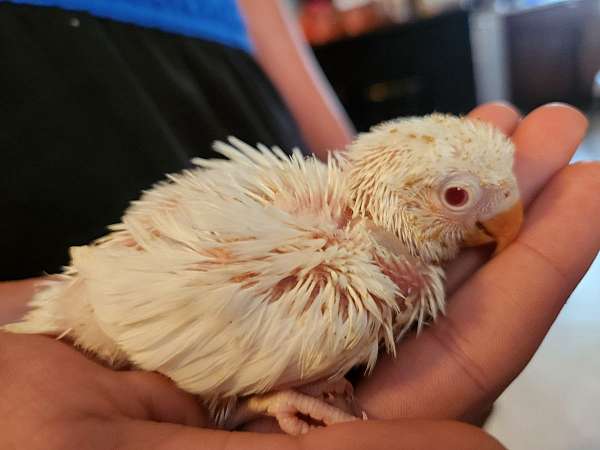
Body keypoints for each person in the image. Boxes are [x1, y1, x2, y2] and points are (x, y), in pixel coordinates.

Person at [0, 1, 599, 449]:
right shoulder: (352, 293)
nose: (499, 214)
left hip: (220, 57)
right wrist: (253, 395)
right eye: (459, 195)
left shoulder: (362, 231)